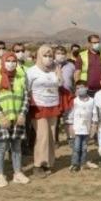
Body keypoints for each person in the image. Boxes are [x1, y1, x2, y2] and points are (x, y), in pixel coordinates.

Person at [0, 51, 30, 187]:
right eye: (8, 61)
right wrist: (1, 116)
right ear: (3, 62)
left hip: (18, 118)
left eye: (13, 61)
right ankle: (0, 175)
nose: (11, 63)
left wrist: (23, 114)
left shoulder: (21, 78)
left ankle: (17, 173)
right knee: (1, 147)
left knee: (16, 146)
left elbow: (26, 98)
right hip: (2, 119)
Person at [26, 45, 65, 177]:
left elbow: (60, 84)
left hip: (53, 105)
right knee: (42, 136)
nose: (48, 59)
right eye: (45, 56)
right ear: (39, 56)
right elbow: (27, 88)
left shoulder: (55, 69)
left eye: (50, 56)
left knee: (51, 136)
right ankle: (38, 165)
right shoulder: (32, 71)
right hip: (38, 106)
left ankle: (48, 163)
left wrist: (58, 73)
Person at [68, 82, 95, 172]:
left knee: (84, 147)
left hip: (86, 129)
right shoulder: (75, 101)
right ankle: (75, 164)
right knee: (76, 148)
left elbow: (94, 114)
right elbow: (71, 115)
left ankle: (83, 163)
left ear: (86, 88)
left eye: (82, 87)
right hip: (77, 129)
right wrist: (71, 126)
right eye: (77, 88)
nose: (80, 89)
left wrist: (94, 125)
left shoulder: (92, 101)